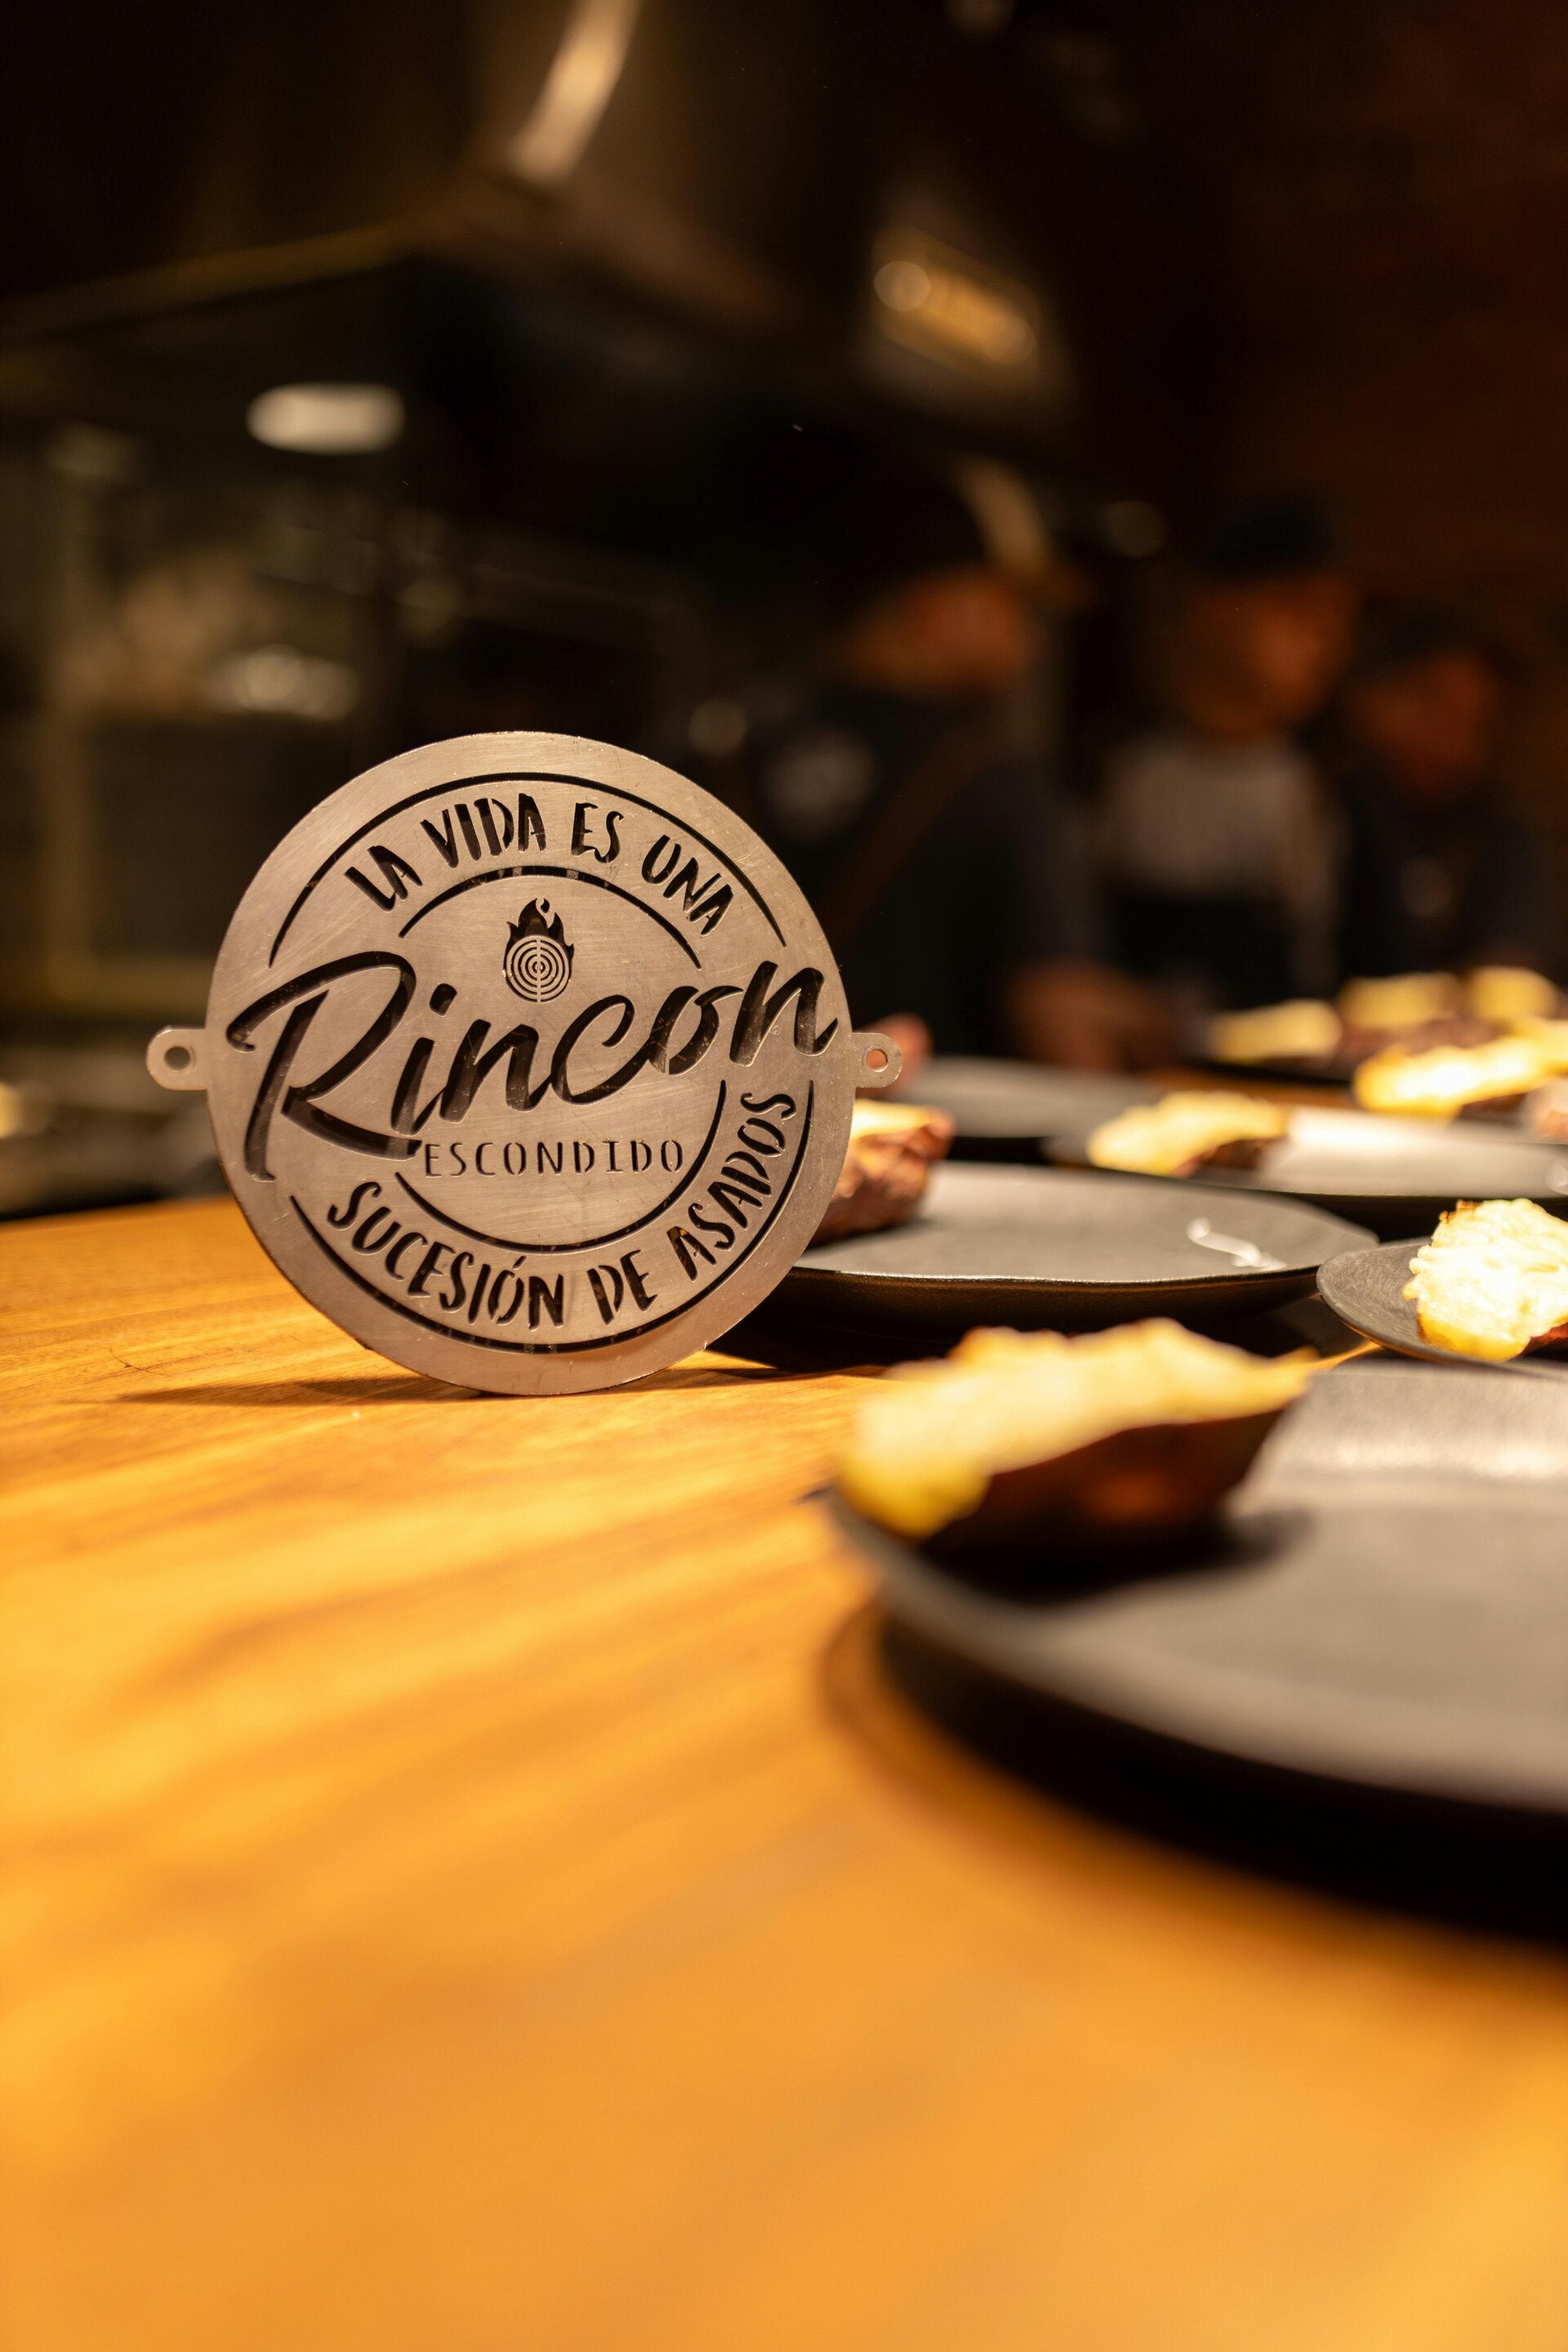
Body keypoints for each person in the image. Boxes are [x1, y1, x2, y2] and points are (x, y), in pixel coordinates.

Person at [732, 463, 1166, 1071]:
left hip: (724, 1124)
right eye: (1019, 608)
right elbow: (1056, 1016)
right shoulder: (994, 783)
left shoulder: (715, 745)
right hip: (919, 1121)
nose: (1035, 644)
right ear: (937, 609)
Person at [1098, 497, 1355, 1013]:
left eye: (1337, 618)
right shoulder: (1115, 770)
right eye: (1296, 607)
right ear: (1211, 606)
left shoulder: (1334, 785)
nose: (1323, 641)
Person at [1335, 610, 1557, 980]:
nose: (1454, 741)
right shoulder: (1326, 803)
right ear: (1368, 695)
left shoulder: (1495, 827)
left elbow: (1513, 965)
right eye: (1432, 703)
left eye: (1477, 723)